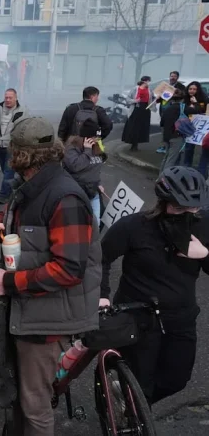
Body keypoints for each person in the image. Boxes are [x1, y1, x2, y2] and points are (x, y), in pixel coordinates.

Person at [0, 116, 99, 436]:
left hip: (50, 319)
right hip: (34, 311)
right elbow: (16, 211)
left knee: (35, 406)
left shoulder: (65, 197)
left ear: (21, 155)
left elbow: (69, 269)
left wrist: (8, 282)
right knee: (21, 397)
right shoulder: (33, 184)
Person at [101, 166, 209, 405]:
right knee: (141, 381)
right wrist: (103, 295)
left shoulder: (203, 225)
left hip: (181, 317)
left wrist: (203, 254)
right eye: (179, 208)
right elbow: (100, 258)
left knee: (176, 379)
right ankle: (133, 412)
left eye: (193, 208)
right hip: (138, 316)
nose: (187, 215)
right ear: (163, 203)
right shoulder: (134, 227)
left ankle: (136, 402)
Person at [0, 88, 31, 204]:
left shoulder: (22, 110)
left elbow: (26, 128)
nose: (8, 100)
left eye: (10, 98)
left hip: (13, 145)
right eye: (6, 97)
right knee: (6, 169)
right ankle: (18, 188)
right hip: (1, 144)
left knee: (8, 171)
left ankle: (3, 195)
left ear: (16, 98)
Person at [63, 118, 107, 222]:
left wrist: (99, 183)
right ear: (87, 137)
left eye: (98, 136)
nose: (98, 139)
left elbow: (97, 166)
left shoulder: (97, 145)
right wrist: (87, 151)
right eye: (95, 136)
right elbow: (75, 166)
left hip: (93, 191)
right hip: (78, 193)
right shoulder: (72, 148)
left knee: (97, 222)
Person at [160, 89, 201, 173]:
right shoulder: (182, 107)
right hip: (177, 136)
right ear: (182, 99)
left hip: (167, 136)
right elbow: (197, 111)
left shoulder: (168, 109)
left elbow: (162, 123)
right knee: (171, 160)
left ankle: (160, 176)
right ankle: (165, 178)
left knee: (166, 157)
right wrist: (195, 103)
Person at [181, 81, 209, 169]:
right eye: (190, 89)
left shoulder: (203, 99)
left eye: (194, 89)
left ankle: (200, 167)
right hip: (186, 124)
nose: (192, 91)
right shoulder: (185, 98)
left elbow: (203, 112)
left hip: (199, 126)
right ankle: (187, 164)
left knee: (200, 146)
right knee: (188, 147)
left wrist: (196, 103)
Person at [122, 79, 152, 152]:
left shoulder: (150, 90)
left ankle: (136, 145)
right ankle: (133, 145)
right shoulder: (135, 89)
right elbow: (128, 99)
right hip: (136, 109)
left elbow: (153, 100)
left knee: (142, 128)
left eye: (149, 81)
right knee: (134, 127)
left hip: (145, 110)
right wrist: (135, 101)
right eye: (146, 81)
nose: (148, 83)